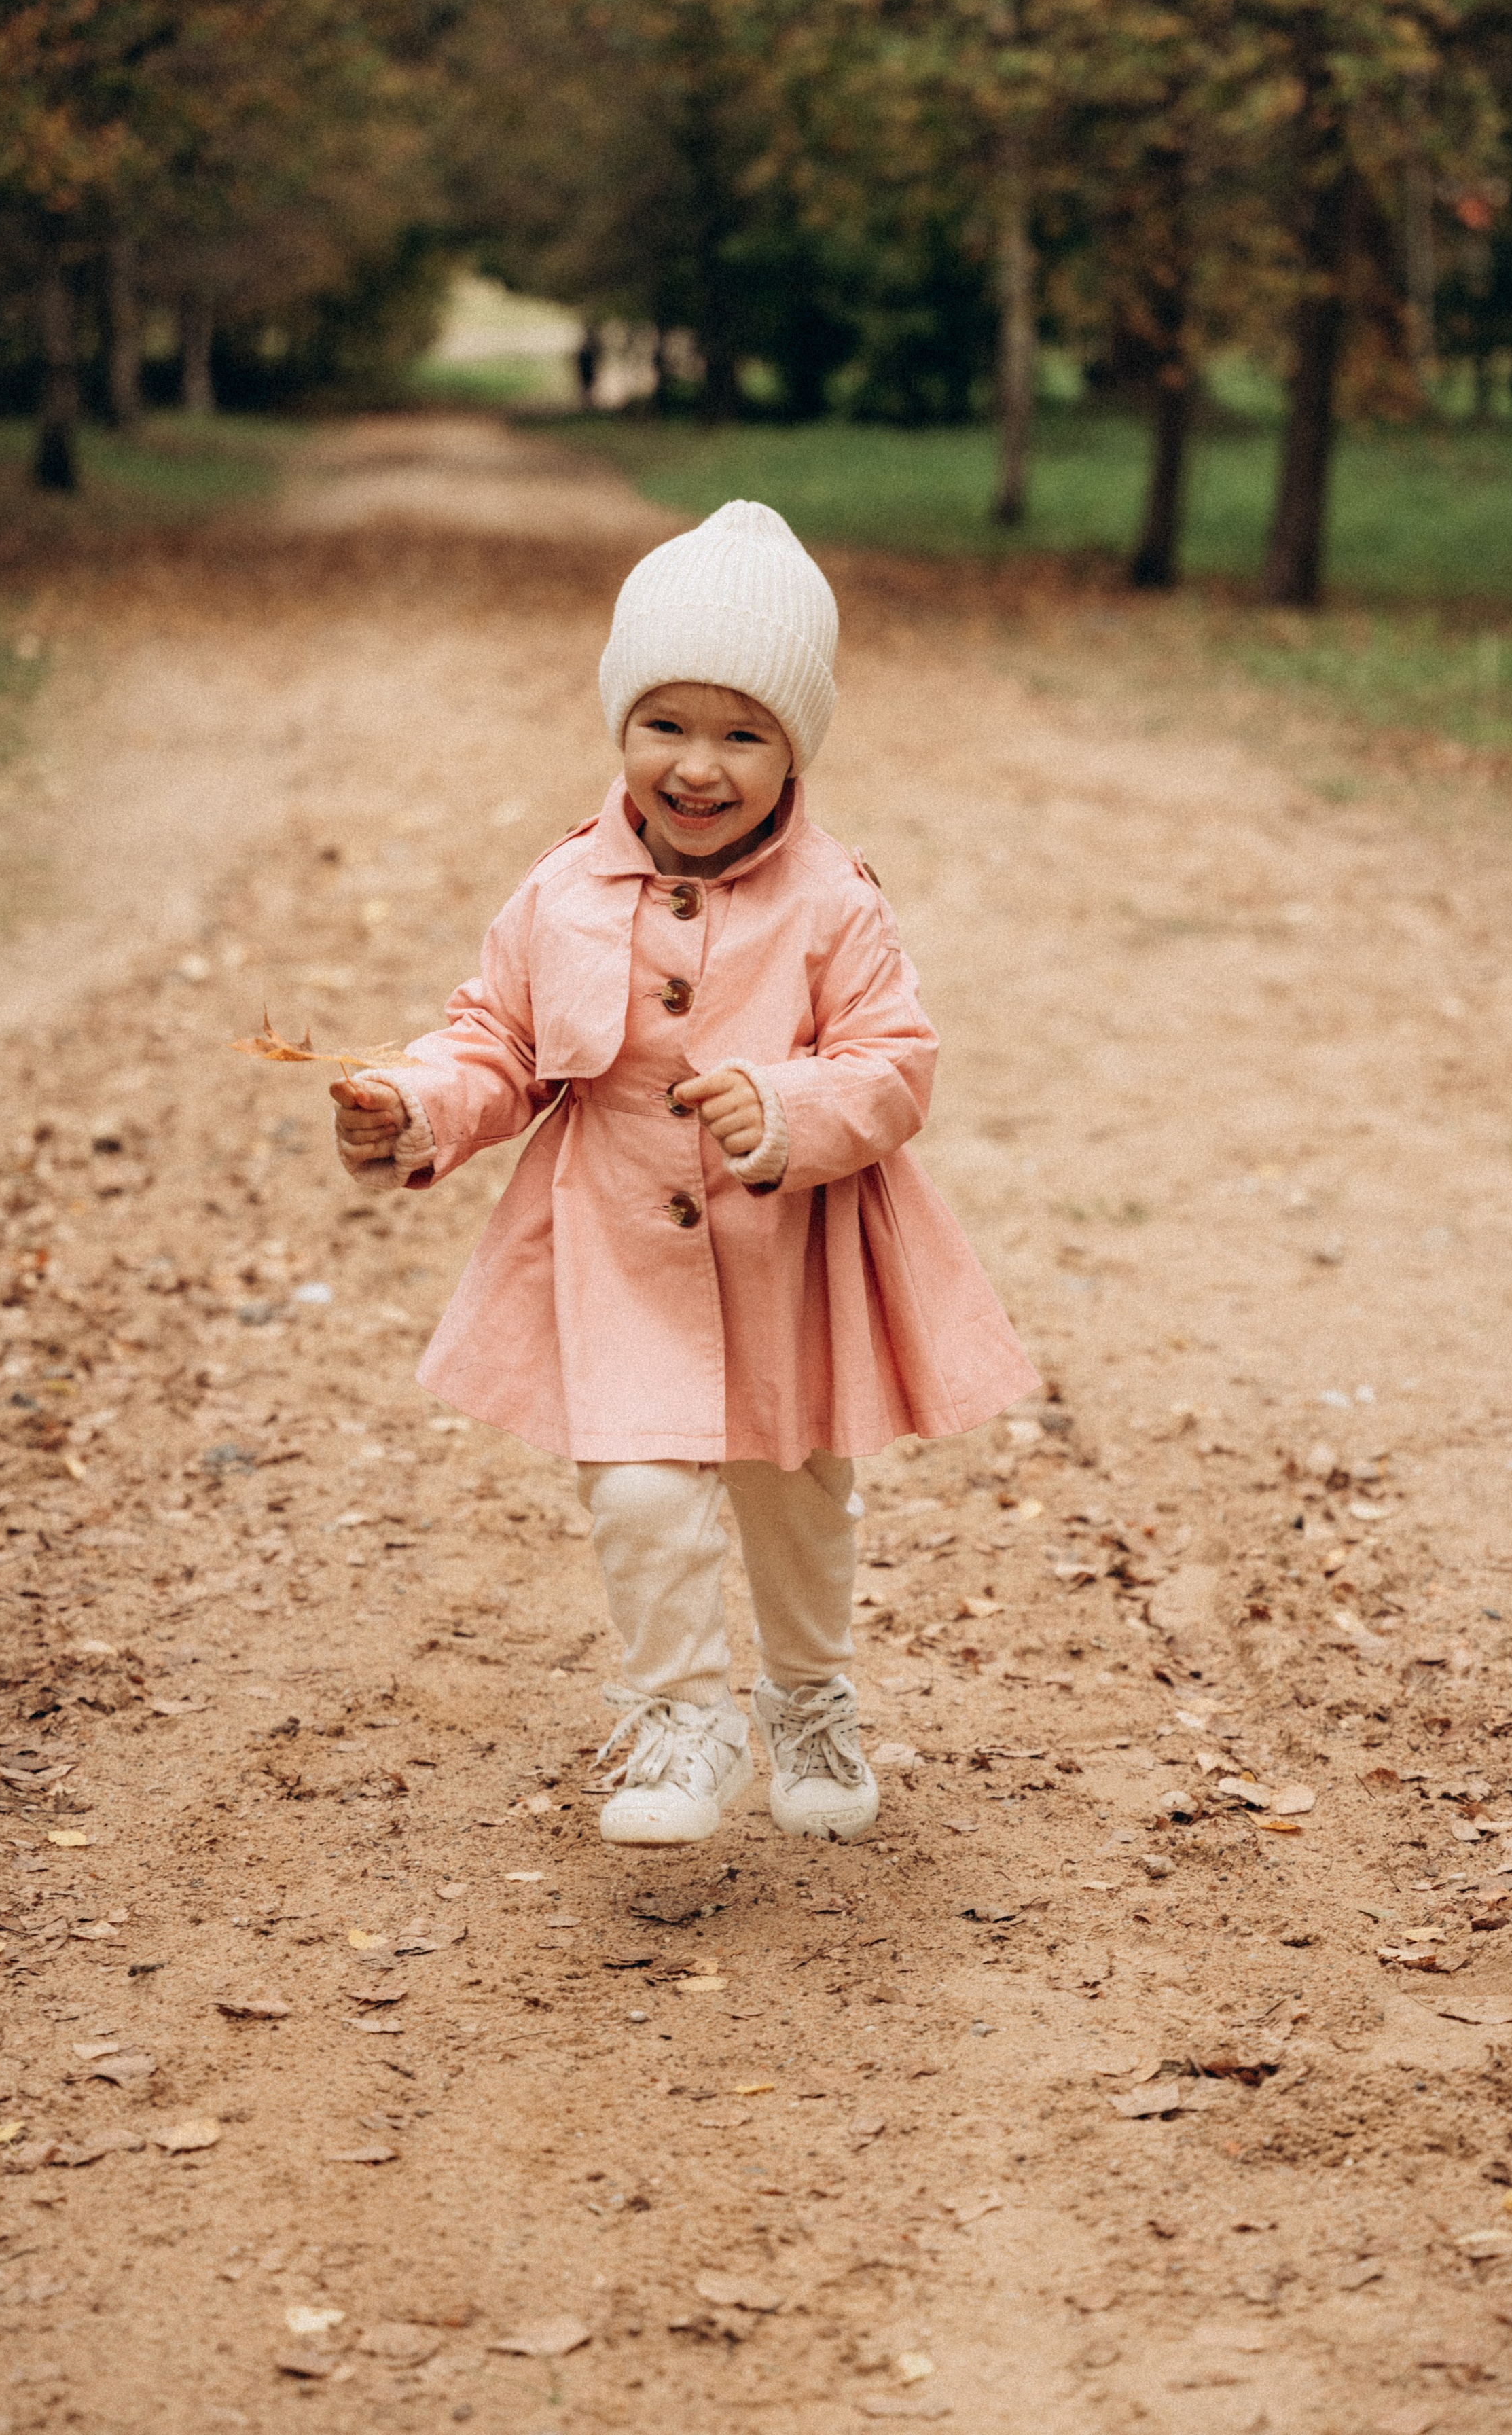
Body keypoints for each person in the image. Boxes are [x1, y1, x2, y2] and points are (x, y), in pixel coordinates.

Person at [329, 500, 1038, 1848]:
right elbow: (499, 1036)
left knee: (794, 1491)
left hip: (789, 1260)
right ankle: (680, 1718)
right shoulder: (559, 892)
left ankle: (806, 1696)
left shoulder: (834, 899)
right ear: (619, 725)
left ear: (793, 748)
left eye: (741, 732)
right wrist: (419, 1102)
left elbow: (894, 1063)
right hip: (619, 1248)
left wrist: (789, 1102)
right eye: (665, 724)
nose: (697, 766)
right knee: (639, 1488)